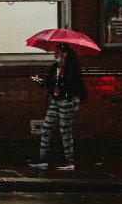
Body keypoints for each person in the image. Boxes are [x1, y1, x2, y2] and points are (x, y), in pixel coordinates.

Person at [28, 42, 87, 171]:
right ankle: (42, 158)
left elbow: (74, 85)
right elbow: (48, 84)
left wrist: (62, 77)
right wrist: (39, 81)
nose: (55, 55)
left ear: (64, 54)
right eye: (54, 53)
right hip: (56, 100)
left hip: (68, 101)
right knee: (47, 126)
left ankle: (69, 159)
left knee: (65, 129)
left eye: (57, 53)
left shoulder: (73, 67)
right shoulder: (55, 67)